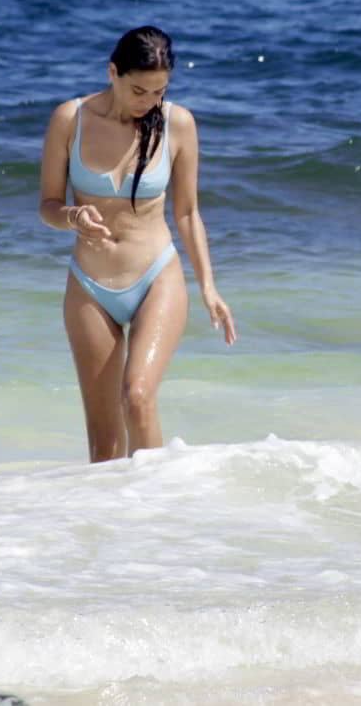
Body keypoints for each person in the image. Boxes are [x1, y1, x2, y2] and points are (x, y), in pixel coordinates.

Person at [39, 26, 236, 462]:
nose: (148, 102)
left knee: (138, 396)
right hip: (89, 284)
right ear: (112, 72)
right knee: (104, 442)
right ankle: (117, 527)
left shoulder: (178, 124)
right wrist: (72, 217)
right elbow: (48, 206)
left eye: (159, 91)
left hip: (155, 276)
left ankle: (158, 513)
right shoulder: (69, 120)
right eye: (138, 90)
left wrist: (208, 286)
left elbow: (187, 213)